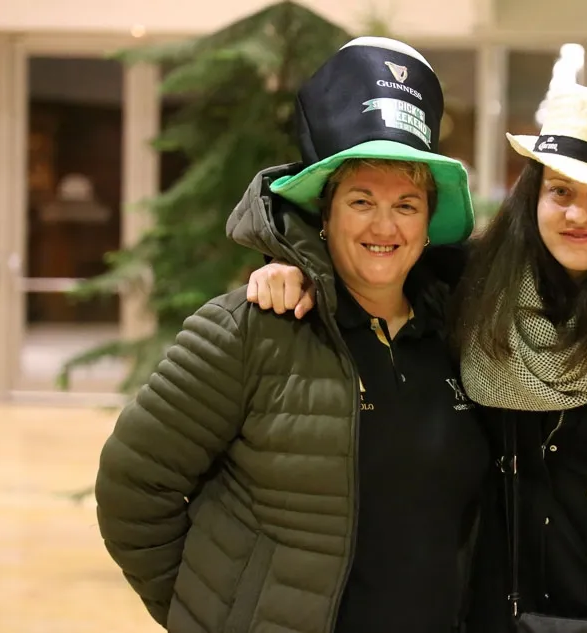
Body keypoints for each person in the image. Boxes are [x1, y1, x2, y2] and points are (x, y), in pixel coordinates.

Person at [245, 84, 587, 633]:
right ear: (532, 194)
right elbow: (372, 258)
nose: (578, 213)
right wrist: (291, 269)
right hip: (498, 611)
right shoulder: (476, 287)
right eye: (560, 191)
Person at [94, 37, 492, 633]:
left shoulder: (459, 335)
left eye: (407, 205)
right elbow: (133, 489)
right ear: (325, 215)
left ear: (428, 223)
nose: (385, 225)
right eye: (361, 200)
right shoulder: (249, 328)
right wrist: (213, 614)